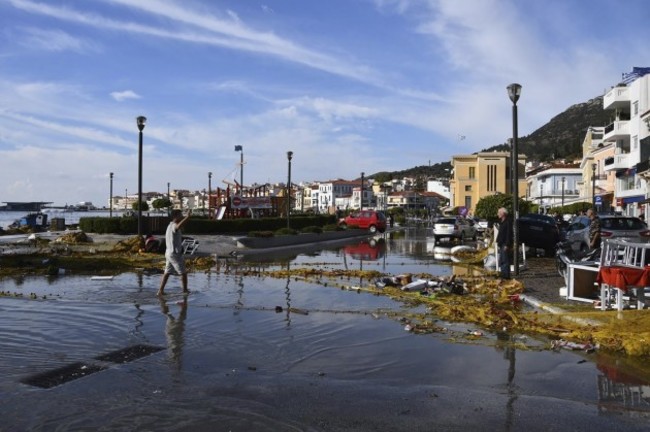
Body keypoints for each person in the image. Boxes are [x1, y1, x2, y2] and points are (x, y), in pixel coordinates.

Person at [158, 209, 192, 296]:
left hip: (168, 253)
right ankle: (185, 291)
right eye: (180, 215)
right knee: (183, 273)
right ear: (175, 216)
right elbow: (178, 227)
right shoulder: (173, 226)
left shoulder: (169, 226)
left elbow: (178, 229)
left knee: (167, 272)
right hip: (174, 254)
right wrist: (187, 217)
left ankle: (160, 291)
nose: (181, 216)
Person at [496, 207, 513, 280]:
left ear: (503, 214)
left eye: (499, 213)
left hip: (505, 244)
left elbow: (509, 234)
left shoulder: (508, 221)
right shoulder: (502, 221)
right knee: (502, 260)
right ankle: (503, 274)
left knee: (505, 260)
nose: (497, 214)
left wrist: (507, 244)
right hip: (501, 243)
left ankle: (506, 275)